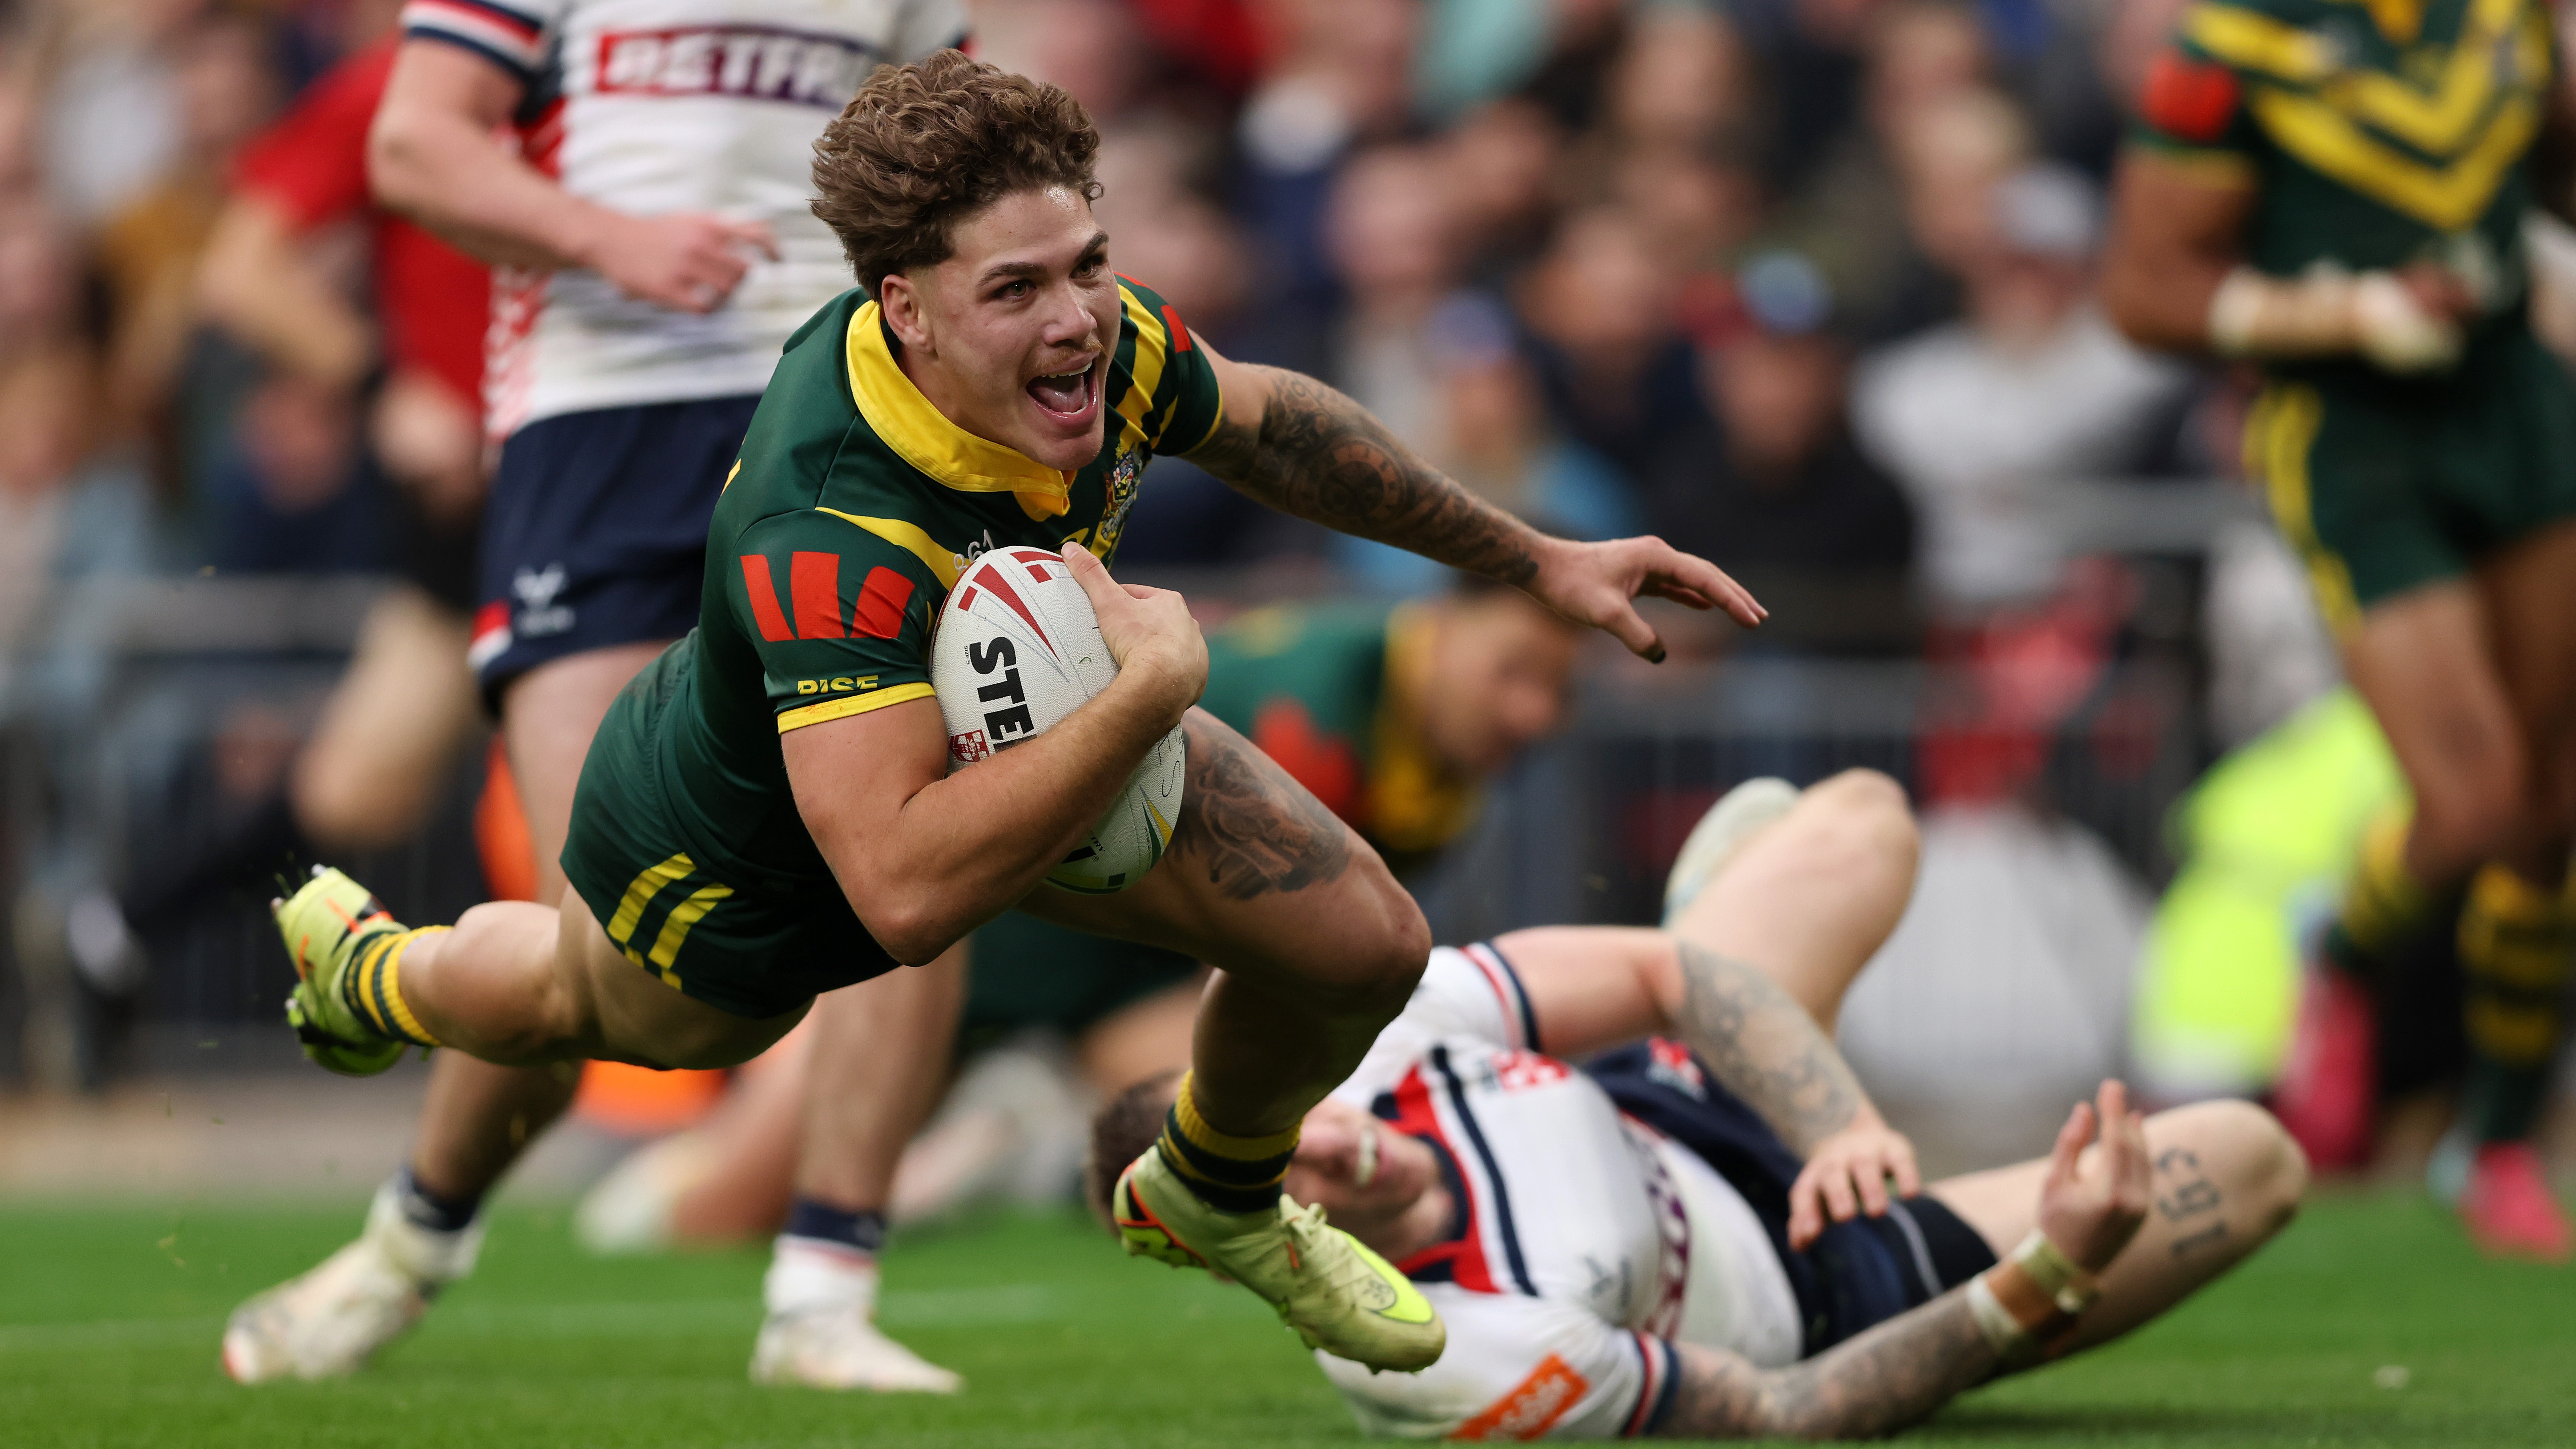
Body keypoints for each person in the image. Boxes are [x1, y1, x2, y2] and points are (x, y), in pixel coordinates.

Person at [246, 49, 1764, 1388]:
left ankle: (1218, 1187)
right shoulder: (830, 525)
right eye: (1019, 289)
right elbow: (900, 894)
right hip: (743, 851)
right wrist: (1155, 689)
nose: (1080, 321)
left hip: (1016, 736)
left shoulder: (1087, 342)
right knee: (593, 1004)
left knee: (1363, 942)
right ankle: (383, 966)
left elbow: (1271, 426)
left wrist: (1536, 554)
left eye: (1090, 264)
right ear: (903, 308)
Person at [218, 0, 981, 1392]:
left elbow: (966, 171)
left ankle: (824, 1292)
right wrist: (611, 241)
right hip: (601, 435)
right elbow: (415, 147)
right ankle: (410, 1236)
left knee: (913, 854)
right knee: (616, 941)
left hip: (835, 424)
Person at [1085, 774, 2309, 1438]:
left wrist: (1836, 1123)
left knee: (1861, 821)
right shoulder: (1443, 1364)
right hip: (1831, 1295)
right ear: (1255, 1253)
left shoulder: (1380, 1040)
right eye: (1280, 1181)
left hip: (1669, 1103)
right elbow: (1788, 1414)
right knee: (2256, 1160)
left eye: (1291, 1122)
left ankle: (1735, 951)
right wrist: (2047, 1276)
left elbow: (1657, 984)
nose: (1335, 1149)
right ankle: (1751, 963)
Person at [575, 576, 1586, 1247]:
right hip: (996, 931)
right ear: (1445, 626)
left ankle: (1015, 1156)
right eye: (1515, 672)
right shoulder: (1324, 700)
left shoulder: (1424, 745)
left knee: (1223, 1136)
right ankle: (688, 1197)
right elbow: (1268, 921)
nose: (1531, 714)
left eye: (1556, 689)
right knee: (734, 1215)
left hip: (1125, 961)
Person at [2100, 0, 2576, 1258]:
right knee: (2472, 802)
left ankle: (2500, 1140)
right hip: (2356, 439)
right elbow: (2147, 290)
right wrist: (2344, 313)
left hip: (2518, 408)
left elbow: (2549, 172)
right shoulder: (2232, 51)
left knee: (2553, 807)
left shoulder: (2507, 22)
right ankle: (2347, 959)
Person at [117, 32, 491, 953]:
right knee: (360, 785)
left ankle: (120, 928)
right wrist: (383, 388)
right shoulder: (399, 85)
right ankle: (121, 929)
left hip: (606, 472)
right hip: (474, 501)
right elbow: (241, 271)